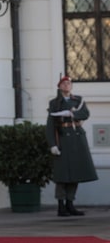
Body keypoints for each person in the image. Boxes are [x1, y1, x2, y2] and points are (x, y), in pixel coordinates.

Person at [45, 75, 98, 217]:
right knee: (62, 176)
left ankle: (70, 204)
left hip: (76, 139)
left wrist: (72, 113)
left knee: (75, 174)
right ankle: (61, 206)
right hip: (62, 139)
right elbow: (50, 125)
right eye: (64, 83)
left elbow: (85, 113)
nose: (67, 85)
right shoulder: (54, 103)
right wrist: (52, 145)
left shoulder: (78, 100)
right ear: (59, 86)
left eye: (69, 83)